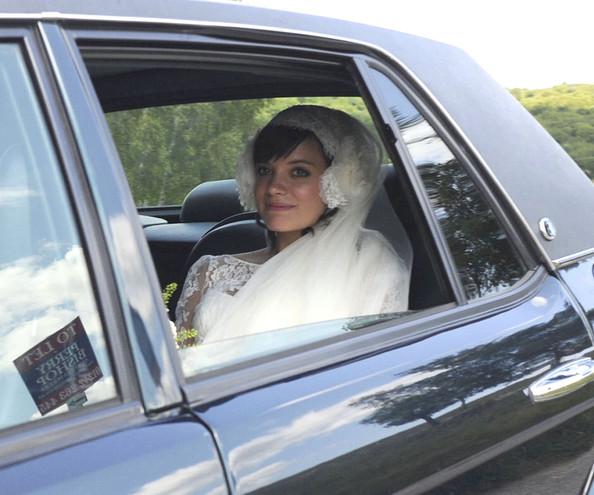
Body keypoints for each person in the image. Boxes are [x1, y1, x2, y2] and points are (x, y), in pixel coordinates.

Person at [175, 105, 410, 347]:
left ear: (337, 181)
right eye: (265, 170)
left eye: (299, 172)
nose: (274, 186)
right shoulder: (207, 271)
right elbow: (183, 362)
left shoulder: (370, 269)